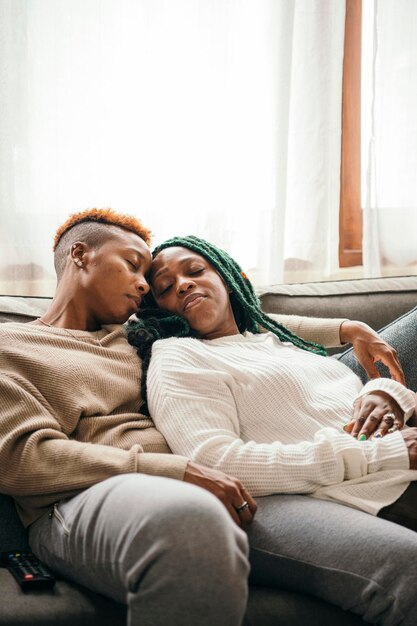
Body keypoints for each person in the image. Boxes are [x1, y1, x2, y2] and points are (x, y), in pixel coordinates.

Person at [128, 234, 417, 624]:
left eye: (195, 271)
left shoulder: (274, 340)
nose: (183, 284)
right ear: (156, 308)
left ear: (228, 278)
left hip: (387, 464)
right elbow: (215, 461)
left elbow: (345, 398)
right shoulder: (179, 356)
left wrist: (388, 391)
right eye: (165, 287)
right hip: (342, 488)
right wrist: (379, 454)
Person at [0, 210, 252, 626]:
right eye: (132, 265)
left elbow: (238, 325)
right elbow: (21, 458)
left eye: (147, 276)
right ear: (80, 255)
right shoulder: (11, 344)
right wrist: (173, 470)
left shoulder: (141, 334)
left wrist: (348, 330)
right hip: (74, 502)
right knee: (188, 523)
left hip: (192, 485)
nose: (143, 283)